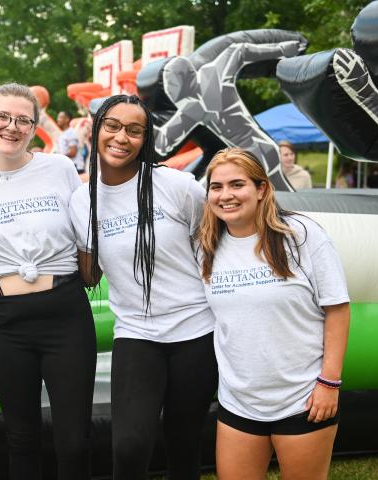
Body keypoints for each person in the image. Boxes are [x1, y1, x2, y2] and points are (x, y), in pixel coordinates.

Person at [0, 83, 97, 480]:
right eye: (2, 116)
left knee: (74, 439)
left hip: (64, 313)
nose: (11, 127)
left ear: (34, 128)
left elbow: (85, 234)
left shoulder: (59, 169)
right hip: (5, 320)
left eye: (22, 120)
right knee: (21, 436)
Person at [71, 94, 218, 480]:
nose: (122, 137)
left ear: (145, 139)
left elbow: (215, 247)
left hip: (196, 330)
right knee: (130, 446)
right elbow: (90, 276)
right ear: (96, 130)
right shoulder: (81, 201)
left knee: (184, 441)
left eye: (134, 130)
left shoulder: (177, 186)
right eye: (113, 126)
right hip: (137, 334)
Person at [197, 147, 350, 479]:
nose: (226, 195)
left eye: (237, 185)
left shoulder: (300, 236)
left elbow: (337, 308)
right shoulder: (207, 246)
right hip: (239, 403)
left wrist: (329, 382)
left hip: (302, 400)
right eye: (217, 187)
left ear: (262, 189)